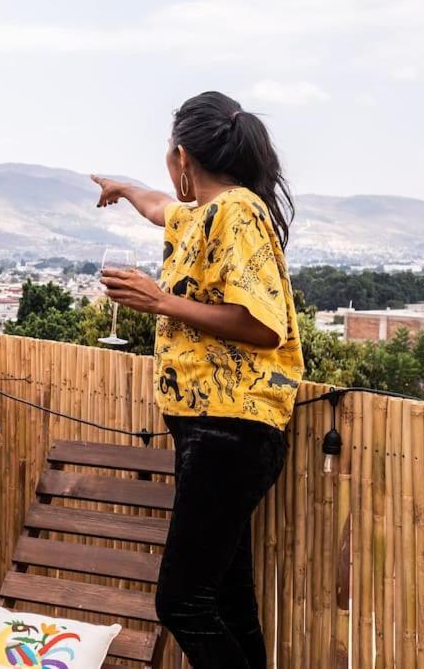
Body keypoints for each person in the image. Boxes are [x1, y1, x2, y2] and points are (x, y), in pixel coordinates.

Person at [92, 91, 304, 669]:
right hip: (214, 433)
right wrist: (125, 188)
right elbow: (162, 207)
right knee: (228, 604)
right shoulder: (207, 212)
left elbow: (264, 325)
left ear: (182, 156)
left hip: (230, 433)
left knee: (181, 602)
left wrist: (161, 302)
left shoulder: (237, 210)